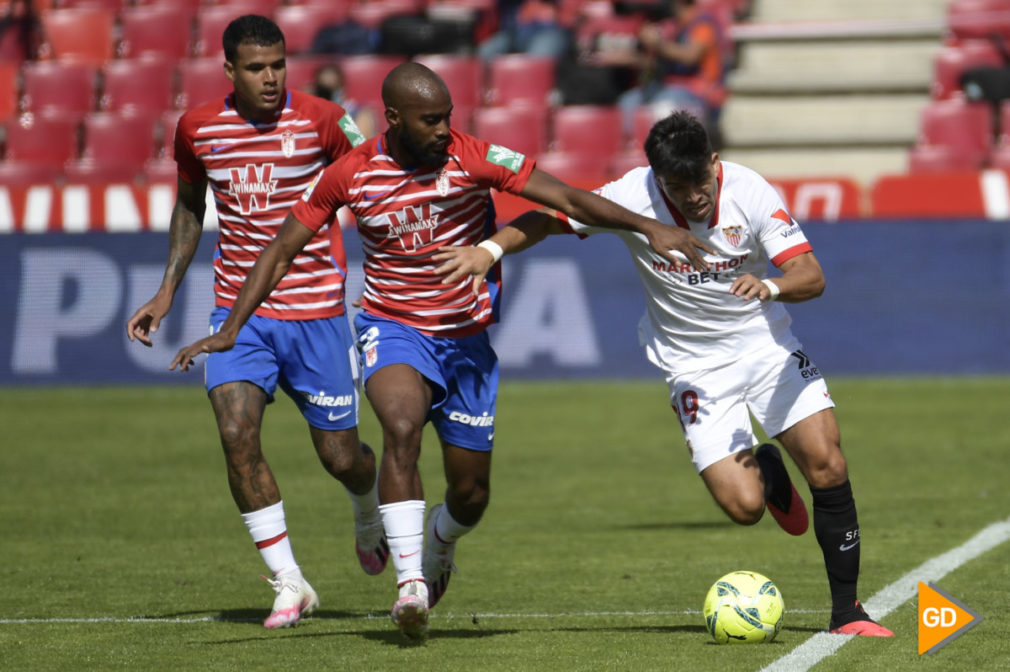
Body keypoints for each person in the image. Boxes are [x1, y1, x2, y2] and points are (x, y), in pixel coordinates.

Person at [169, 62, 712, 641]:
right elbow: (280, 249)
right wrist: (232, 326)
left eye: (448, 117)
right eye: (430, 120)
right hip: (391, 325)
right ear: (395, 117)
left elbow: (566, 197)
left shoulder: (472, 155)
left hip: (465, 339)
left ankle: (441, 541)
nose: (442, 129)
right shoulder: (350, 173)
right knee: (400, 425)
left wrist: (647, 228)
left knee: (471, 493)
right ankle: (411, 588)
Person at [434, 111, 895, 638]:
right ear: (657, 178)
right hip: (694, 366)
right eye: (679, 187)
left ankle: (848, 613)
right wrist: (489, 249)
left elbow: (811, 276)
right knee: (744, 508)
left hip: (766, 349)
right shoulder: (632, 197)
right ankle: (766, 471)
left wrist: (768, 286)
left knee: (828, 464)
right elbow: (548, 218)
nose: (695, 197)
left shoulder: (751, 190)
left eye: (701, 182)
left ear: (714, 164)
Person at [125, 14, 387, 630]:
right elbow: (190, 205)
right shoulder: (197, 129)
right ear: (229, 71)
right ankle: (289, 582)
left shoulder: (326, 118)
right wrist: (166, 291)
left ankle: (367, 509)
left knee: (341, 457)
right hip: (238, 317)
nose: (270, 78)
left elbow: (377, 182)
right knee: (236, 433)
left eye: (278, 65)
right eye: (255, 68)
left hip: (318, 311)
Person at [597, 0, 726, 140]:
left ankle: (667, 152)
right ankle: (633, 148)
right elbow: (655, 65)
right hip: (669, 87)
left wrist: (657, 44)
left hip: (697, 93)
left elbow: (691, 56)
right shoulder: (673, 26)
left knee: (663, 102)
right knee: (629, 100)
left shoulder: (703, 24)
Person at [476, 0, 571, 62]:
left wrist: (544, 12)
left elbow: (563, 17)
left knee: (540, 51)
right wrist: (523, 15)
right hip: (512, 33)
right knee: (485, 51)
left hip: (548, 33)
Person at [310, 62, 378, 138]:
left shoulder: (358, 111)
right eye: (323, 90)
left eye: (332, 88)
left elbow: (360, 142)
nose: (327, 95)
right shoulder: (311, 114)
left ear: (342, 87)